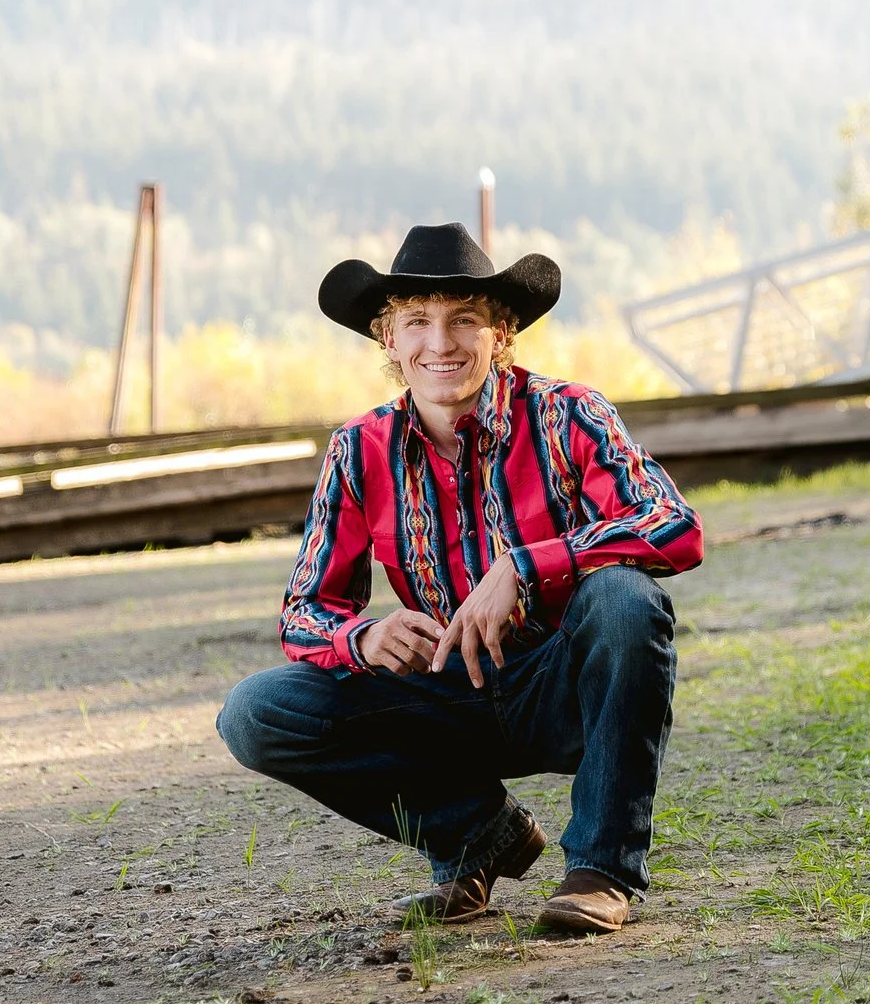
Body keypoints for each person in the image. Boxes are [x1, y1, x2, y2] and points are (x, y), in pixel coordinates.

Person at [216, 223, 703, 934]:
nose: (440, 342)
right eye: (418, 321)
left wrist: (528, 564)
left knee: (627, 599)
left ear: (500, 333)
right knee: (255, 711)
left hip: (559, 685)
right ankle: (477, 834)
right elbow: (304, 612)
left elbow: (674, 524)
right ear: (390, 340)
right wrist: (364, 634)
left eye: (464, 319)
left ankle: (601, 868)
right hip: (445, 692)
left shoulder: (570, 414)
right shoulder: (359, 450)